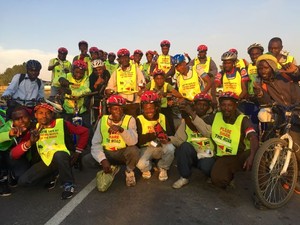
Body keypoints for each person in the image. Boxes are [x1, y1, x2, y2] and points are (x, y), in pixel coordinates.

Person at [11, 103, 89, 199]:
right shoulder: (33, 129)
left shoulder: (62, 123)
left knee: (59, 155)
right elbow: (14, 154)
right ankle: (54, 174)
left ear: (52, 114)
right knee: (23, 181)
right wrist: (30, 142)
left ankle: (68, 184)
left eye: (48, 113)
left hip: (63, 155)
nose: (44, 116)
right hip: (46, 160)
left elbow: (84, 131)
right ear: (35, 115)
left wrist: (78, 152)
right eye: (40, 113)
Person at [253, 53, 300, 182]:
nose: (263, 71)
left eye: (266, 68)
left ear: (273, 67)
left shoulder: (284, 74)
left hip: (297, 109)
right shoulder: (262, 83)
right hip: (284, 113)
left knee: (296, 144)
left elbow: (297, 75)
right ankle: (290, 176)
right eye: (260, 68)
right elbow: (267, 101)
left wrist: (295, 71)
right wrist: (260, 93)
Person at [203, 92, 258, 189]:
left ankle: (261, 189)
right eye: (223, 105)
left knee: (257, 155)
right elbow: (200, 122)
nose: (226, 108)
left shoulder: (243, 119)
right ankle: (230, 175)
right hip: (224, 156)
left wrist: (252, 156)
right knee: (217, 180)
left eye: (230, 105)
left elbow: (253, 137)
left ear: (235, 106)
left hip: (241, 154)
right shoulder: (216, 116)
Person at [82, 95, 140, 187]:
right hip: (107, 152)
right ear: (109, 110)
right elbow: (96, 143)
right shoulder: (103, 120)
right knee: (86, 160)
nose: (119, 112)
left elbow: (133, 141)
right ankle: (110, 167)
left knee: (134, 151)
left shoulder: (130, 119)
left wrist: (121, 130)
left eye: (121, 109)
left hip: (122, 153)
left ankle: (129, 171)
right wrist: (103, 160)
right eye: (115, 109)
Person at [171, 93, 215, 189]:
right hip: (194, 151)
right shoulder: (187, 120)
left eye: (205, 105)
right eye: (199, 104)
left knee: (207, 167)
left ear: (209, 107)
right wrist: (168, 139)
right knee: (184, 146)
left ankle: (210, 174)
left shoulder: (213, 118)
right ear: (194, 105)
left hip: (207, 153)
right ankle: (184, 177)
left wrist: (191, 113)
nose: (201, 107)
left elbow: (207, 132)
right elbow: (179, 138)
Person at [136, 91, 175, 181]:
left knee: (170, 148)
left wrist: (165, 137)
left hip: (161, 145)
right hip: (146, 147)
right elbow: (139, 140)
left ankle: (163, 167)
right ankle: (148, 167)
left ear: (157, 107)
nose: (149, 111)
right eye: (146, 109)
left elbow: (169, 134)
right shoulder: (139, 119)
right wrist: (154, 134)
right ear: (142, 108)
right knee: (140, 164)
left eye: (152, 108)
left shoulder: (162, 117)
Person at [0, 107, 34, 196]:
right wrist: (9, 134)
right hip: (7, 153)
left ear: (29, 117)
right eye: (17, 119)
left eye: (24, 117)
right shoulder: (8, 127)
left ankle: (12, 173)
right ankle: (3, 179)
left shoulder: (35, 125)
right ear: (12, 121)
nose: (21, 121)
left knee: (24, 177)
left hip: (24, 155)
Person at [105, 48, 145, 117]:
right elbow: (110, 86)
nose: (124, 60)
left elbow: (142, 84)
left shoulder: (136, 69)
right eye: (122, 58)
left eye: (126, 57)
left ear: (129, 58)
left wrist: (141, 90)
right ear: (119, 60)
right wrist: (109, 90)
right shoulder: (117, 72)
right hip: (120, 103)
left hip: (134, 102)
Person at [145, 69, 183, 135]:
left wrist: (166, 95)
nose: (159, 81)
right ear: (154, 79)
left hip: (164, 107)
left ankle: (171, 136)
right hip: (153, 108)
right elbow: (140, 93)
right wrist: (151, 93)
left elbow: (179, 95)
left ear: (164, 79)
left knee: (169, 123)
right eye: (157, 79)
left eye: (161, 78)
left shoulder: (166, 85)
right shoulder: (151, 84)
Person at [59, 60, 91, 129]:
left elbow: (86, 90)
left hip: (81, 108)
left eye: (81, 73)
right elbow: (56, 80)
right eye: (76, 72)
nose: (79, 75)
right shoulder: (67, 75)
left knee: (87, 129)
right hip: (68, 108)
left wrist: (71, 92)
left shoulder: (86, 77)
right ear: (72, 70)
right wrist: (61, 79)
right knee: (65, 128)